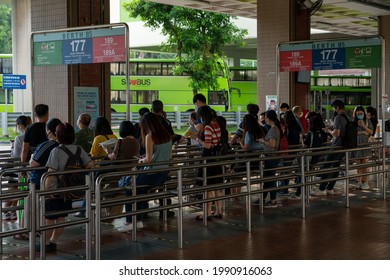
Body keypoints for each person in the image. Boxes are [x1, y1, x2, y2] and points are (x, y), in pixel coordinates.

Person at [41, 122, 93, 252]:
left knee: (49, 219)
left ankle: (45, 244)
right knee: (61, 218)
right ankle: (53, 241)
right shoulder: (79, 149)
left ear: (58, 136)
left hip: (54, 191)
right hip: (69, 191)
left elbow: (51, 172)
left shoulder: (56, 151)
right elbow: (90, 165)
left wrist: (45, 191)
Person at [117, 113, 172, 232]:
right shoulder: (167, 135)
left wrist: (142, 160)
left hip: (151, 174)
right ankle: (138, 221)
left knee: (129, 188)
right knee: (140, 191)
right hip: (163, 174)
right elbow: (169, 156)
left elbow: (149, 160)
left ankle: (131, 222)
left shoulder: (150, 136)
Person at [193, 106, 224, 220]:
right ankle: (219, 211)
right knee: (216, 186)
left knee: (207, 187)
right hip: (216, 158)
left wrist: (198, 139)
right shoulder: (216, 124)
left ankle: (207, 213)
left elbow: (208, 145)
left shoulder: (207, 127)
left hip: (208, 158)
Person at [312, 100, 348, 196]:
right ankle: (330, 188)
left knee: (327, 166)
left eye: (333, 108)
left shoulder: (338, 117)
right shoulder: (346, 117)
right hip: (344, 146)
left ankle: (322, 189)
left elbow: (336, 134)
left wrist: (328, 130)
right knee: (336, 167)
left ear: (337, 108)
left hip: (336, 146)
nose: (333, 110)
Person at [2, 116, 32, 222]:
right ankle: (13, 211)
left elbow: (15, 155)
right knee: (19, 190)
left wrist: (12, 148)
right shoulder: (33, 135)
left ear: (20, 125)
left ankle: (5, 212)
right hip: (29, 168)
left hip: (17, 169)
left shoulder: (19, 138)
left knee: (12, 190)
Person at [257, 110, 282, 207]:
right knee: (268, 178)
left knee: (270, 179)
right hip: (272, 157)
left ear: (270, 119)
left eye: (266, 117)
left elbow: (272, 144)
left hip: (270, 157)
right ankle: (264, 198)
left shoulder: (273, 130)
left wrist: (262, 141)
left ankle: (273, 200)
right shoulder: (276, 128)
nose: (265, 119)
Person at [352, 106, 373, 190]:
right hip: (357, 145)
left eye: (361, 113)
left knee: (365, 164)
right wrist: (363, 132)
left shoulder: (367, 121)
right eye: (358, 114)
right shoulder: (353, 122)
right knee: (358, 165)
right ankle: (359, 182)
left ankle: (366, 182)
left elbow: (371, 132)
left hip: (365, 145)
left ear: (364, 113)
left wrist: (364, 126)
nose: (359, 115)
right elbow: (352, 133)